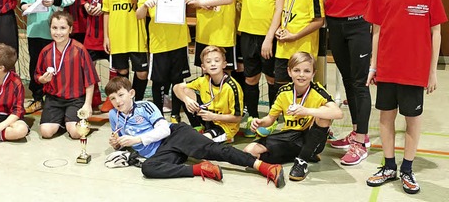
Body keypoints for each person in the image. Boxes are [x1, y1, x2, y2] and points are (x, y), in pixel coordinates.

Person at [365, 0, 446, 195]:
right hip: (387, 69)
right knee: (386, 117)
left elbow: (436, 33)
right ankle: (389, 166)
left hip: (415, 71)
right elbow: (376, 31)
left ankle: (407, 169)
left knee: (412, 120)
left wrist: (432, 72)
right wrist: (373, 67)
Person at [106, 77, 285, 187]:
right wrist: (117, 143)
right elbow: (122, 137)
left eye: (121, 95)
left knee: (214, 150)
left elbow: (162, 129)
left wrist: (137, 139)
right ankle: (200, 169)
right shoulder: (114, 114)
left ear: (131, 93)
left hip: (174, 135)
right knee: (148, 168)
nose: (117, 101)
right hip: (161, 153)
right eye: (113, 98)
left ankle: (265, 167)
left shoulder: (146, 106)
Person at [324, 0, 382, 165]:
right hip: (335, 27)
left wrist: (370, 27)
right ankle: (356, 130)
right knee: (347, 79)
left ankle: (362, 140)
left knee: (360, 84)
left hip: (359, 27)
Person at [243, 52, 342, 181]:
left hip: (309, 136)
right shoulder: (284, 92)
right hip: (288, 136)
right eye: (297, 70)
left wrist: (306, 111)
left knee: (324, 113)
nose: (301, 75)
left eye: (307, 71)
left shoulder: (318, 91)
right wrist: (260, 122)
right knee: (249, 151)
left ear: (313, 73)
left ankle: (302, 161)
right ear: (289, 72)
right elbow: (270, 119)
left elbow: (338, 113)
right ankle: (305, 153)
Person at [228, 0, 284, 137]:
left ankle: (270, 119)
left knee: (271, 79)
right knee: (251, 79)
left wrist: (269, 38)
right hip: (248, 35)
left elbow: (279, 9)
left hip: (267, 37)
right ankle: (252, 117)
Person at [136, 0, 198, 116]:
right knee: (158, 83)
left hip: (178, 42)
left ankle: (176, 116)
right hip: (158, 45)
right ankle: (159, 117)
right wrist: (144, 5)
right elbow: (138, 15)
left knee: (178, 81)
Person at [20, 0, 75, 113]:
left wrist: (55, 0)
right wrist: (24, 5)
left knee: (55, 63)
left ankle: (56, 96)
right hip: (34, 27)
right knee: (35, 64)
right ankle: (37, 98)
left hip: (53, 29)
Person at [35, 12, 99, 139]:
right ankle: (64, 121)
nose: (58, 32)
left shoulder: (79, 49)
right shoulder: (45, 51)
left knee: (76, 133)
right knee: (46, 132)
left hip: (75, 99)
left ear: (70, 29)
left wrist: (87, 104)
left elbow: (90, 80)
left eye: (63, 28)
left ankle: (69, 121)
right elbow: (38, 76)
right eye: (54, 28)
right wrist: (43, 79)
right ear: (50, 29)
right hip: (53, 99)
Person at [102, 0, 149, 101]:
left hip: (136, 36)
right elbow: (106, 11)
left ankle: (138, 101)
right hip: (118, 37)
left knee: (142, 72)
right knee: (122, 72)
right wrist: (106, 37)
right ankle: (126, 102)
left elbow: (142, 7)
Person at [173, 46, 243, 143]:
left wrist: (213, 116)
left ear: (224, 64)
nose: (213, 64)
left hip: (224, 125)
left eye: (217, 61)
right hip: (207, 118)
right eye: (209, 62)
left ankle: (226, 137)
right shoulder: (204, 79)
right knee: (185, 90)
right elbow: (176, 87)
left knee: (197, 142)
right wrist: (187, 100)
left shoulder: (232, 87)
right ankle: (198, 126)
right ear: (203, 67)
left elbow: (237, 118)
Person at [82, 0, 116, 111]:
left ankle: (112, 96)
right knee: (87, 62)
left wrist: (104, 8)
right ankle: (93, 95)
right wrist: (87, 5)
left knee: (115, 63)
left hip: (110, 29)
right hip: (92, 30)